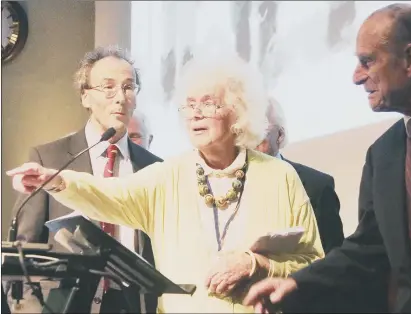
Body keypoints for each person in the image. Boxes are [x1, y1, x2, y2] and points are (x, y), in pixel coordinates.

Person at [7, 54, 325, 313]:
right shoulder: (168, 175)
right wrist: (58, 179)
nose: (195, 114)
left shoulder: (279, 176)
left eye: (209, 103)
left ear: (236, 110)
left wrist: (254, 263)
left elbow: (312, 262)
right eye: (189, 104)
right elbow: (108, 194)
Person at [244, 3, 411, 313]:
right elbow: (368, 249)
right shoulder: (383, 154)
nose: (356, 77)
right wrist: (298, 283)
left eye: (367, 61)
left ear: (410, 58)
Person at [7, 46, 161, 314]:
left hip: (132, 305)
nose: (120, 98)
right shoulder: (49, 159)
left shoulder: (154, 167)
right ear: (85, 96)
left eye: (128, 87)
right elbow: (24, 254)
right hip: (60, 304)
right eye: (108, 88)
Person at [256, 97, 344, 253]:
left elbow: (333, 257)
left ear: (280, 135)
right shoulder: (224, 185)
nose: (248, 142)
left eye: (258, 132)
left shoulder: (316, 186)